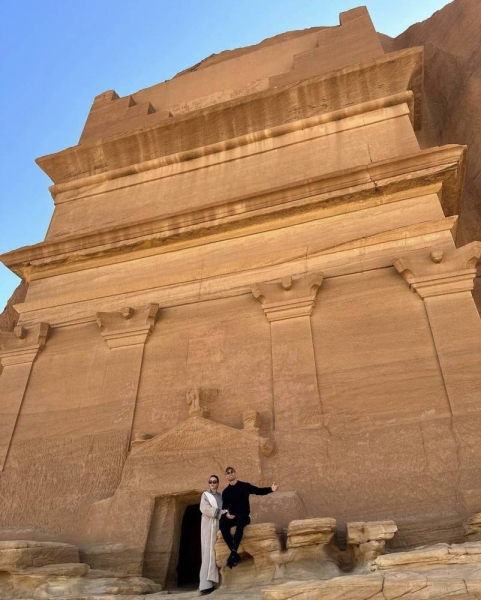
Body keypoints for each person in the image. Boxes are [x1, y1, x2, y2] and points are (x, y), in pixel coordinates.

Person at [220, 466, 278, 568]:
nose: (230, 474)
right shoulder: (226, 492)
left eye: (232, 472)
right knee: (222, 524)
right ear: (226, 476)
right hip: (232, 517)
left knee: (241, 522)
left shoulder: (244, 486)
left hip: (244, 516)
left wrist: (271, 489)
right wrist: (227, 514)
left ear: (235, 473)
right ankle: (235, 554)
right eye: (228, 473)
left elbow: (258, 490)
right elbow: (225, 507)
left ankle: (233, 553)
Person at [199, 474, 226, 595]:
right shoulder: (205, 495)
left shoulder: (220, 497)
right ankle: (205, 585)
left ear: (218, 483)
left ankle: (215, 583)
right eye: (210, 482)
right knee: (207, 553)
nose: (212, 483)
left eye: (215, 481)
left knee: (216, 553)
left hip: (217, 526)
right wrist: (220, 512)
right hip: (208, 526)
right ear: (209, 483)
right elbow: (204, 509)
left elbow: (224, 509)